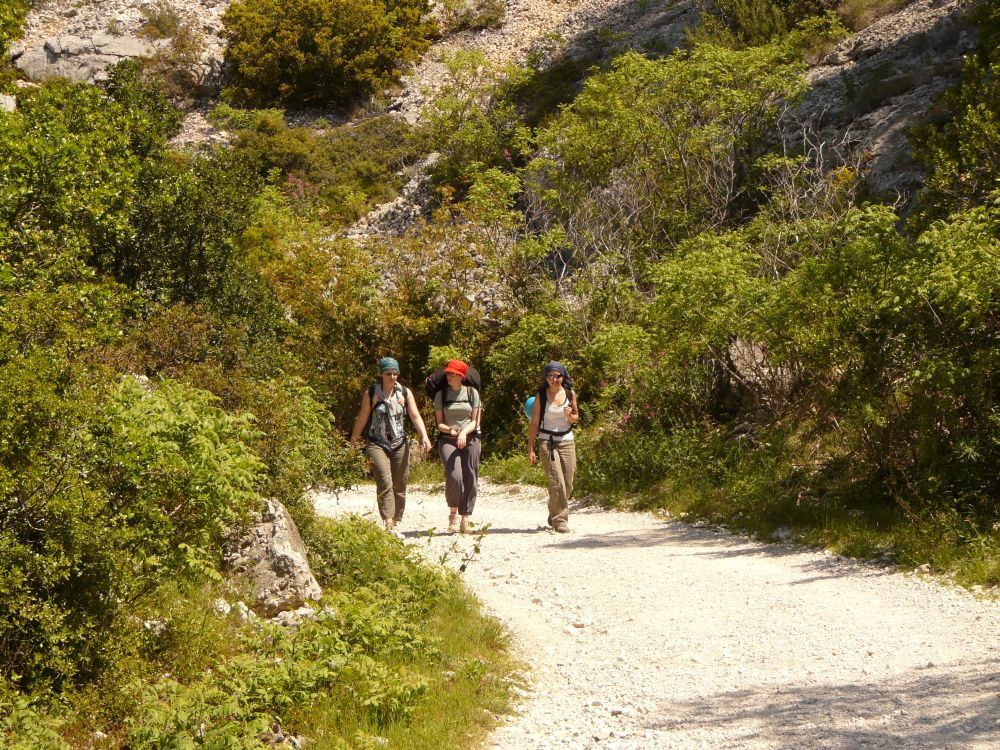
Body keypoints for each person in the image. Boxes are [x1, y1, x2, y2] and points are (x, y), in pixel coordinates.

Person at [351, 357, 432, 536]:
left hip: (399, 443)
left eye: (396, 373)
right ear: (381, 374)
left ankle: (396, 520)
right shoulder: (371, 392)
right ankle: (388, 522)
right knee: (384, 480)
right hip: (377, 443)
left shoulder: (404, 392)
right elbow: (363, 418)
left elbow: (415, 416)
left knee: (400, 483)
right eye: (389, 374)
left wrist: (424, 436)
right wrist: (353, 442)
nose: (393, 377)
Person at [527, 361, 579, 533]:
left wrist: (570, 416)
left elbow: (576, 417)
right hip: (546, 441)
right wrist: (531, 448)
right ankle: (560, 521)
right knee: (557, 482)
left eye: (557, 376)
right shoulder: (541, 395)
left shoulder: (570, 394)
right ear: (546, 378)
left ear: (563, 377)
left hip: (566, 440)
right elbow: (534, 422)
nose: (553, 379)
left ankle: (554, 508)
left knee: (568, 483)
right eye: (550, 376)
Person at [433, 359, 481, 534]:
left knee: (471, 477)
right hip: (448, 438)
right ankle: (453, 513)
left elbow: (475, 421)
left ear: (461, 376)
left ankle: (465, 517)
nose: (448, 376)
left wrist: (463, 432)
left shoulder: (472, 393)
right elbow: (439, 424)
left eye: (452, 374)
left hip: (470, 437)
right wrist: (452, 430)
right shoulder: (441, 395)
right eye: (447, 373)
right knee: (455, 476)